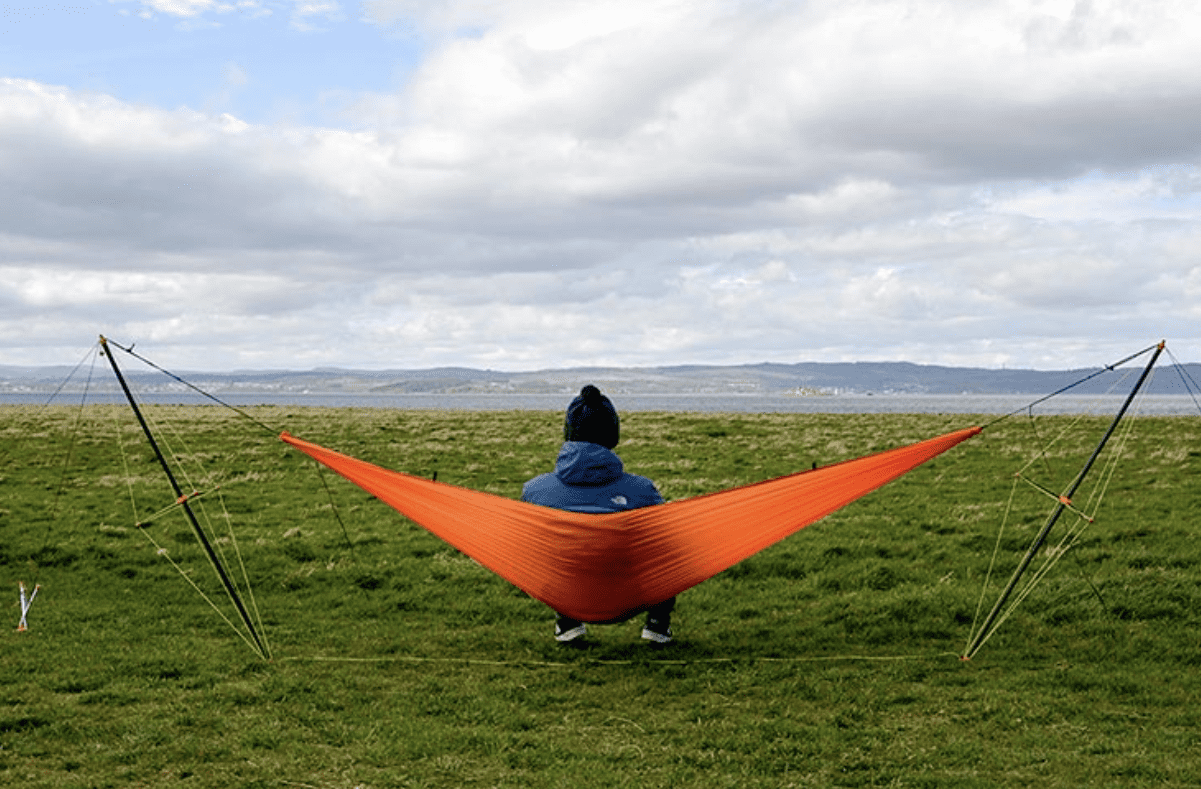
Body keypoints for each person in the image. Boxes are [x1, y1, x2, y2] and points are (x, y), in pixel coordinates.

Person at [521, 384, 676, 645]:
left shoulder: (535, 491)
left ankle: (567, 623)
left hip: (564, 590)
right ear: (612, 433)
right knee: (671, 545)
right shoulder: (641, 490)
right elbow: (666, 541)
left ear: (568, 433)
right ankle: (658, 624)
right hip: (631, 591)